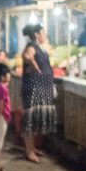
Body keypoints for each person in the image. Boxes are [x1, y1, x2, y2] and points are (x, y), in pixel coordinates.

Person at [20, 24, 57, 163]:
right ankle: (28, 151)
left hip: (40, 88)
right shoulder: (31, 46)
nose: (45, 35)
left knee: (34, 118)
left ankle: (32, 148)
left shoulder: (40, 47)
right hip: (33, 88)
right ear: (36, 34)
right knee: (29, 119)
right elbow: (26, 56)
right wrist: (34, 64)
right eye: (43, 33)